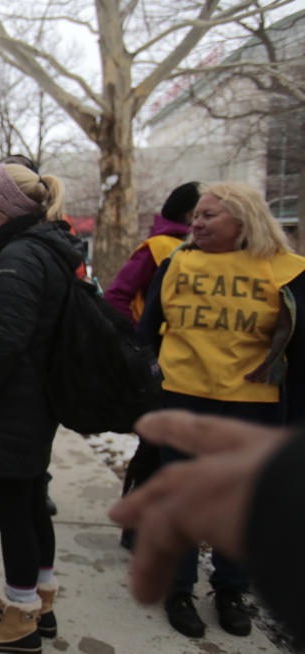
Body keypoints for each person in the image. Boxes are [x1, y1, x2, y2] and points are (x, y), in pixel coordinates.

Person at [135, 181, 305, 640]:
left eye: (210, 215)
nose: (197, 222)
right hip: (184, 398)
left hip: (253, 406)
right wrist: (152, 375)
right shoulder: (176, 263)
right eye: (197, 215)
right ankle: (179, 589)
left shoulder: (284, 270)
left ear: (243, 220)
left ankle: (230, 589)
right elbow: (148, 329)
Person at [0, 163, 83, 652]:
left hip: (14, 404)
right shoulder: (41, 249)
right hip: (33, 401)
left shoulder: (17, 257)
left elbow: (7, 338)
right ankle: (38, 598)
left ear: (5, 208)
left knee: (12, 509)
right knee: (28, 503)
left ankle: (21, 617)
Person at [108, 410, 305, 643]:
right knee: (183, 491)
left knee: (243, 495)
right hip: (188, 386)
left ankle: (230, 589)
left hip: (255, 393)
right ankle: (179, 589)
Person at [104, 181, 198, 550]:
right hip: (164, 368)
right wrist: (143, 346)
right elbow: (118, 297)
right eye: (201, 211)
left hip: (204, 374)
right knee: (156, 448)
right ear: (190, 214)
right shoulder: (159, 249)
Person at [104, 181, 198, 323]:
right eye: (205, 213)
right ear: (189, 215)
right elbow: (116, 296)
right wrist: (139, 336)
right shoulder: (157, 246)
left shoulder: (216, 249)